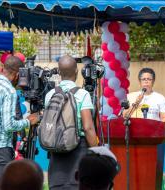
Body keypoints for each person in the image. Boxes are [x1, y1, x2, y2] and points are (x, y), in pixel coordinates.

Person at [0, 56, 40, 190]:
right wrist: (28, 122)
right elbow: (9, 125)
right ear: (17, 75)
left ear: (3, 69)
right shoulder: (9, 90)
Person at [45, 55, 98, 190]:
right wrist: (97, 151)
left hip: (56, 147)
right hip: (78, 147)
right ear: (76, 71)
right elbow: (88, 128)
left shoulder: (50, 94)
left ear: (59, 72)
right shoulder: (82, 94)